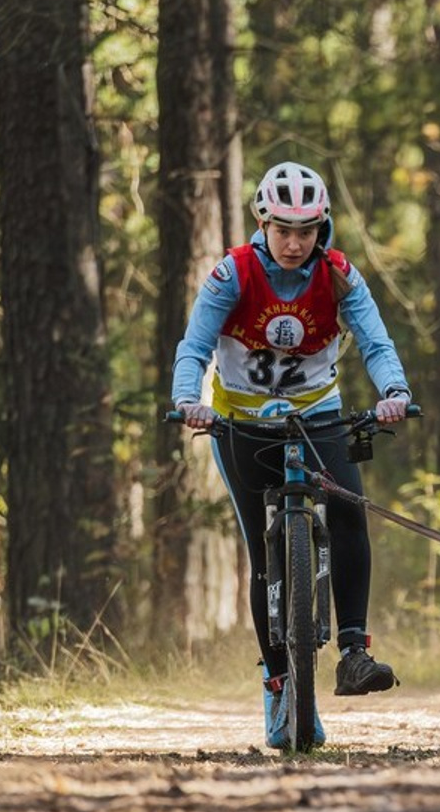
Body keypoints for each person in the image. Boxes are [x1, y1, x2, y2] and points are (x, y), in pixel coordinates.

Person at [172, 161, 412, 749]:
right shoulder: (233, 273)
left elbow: (376, 342)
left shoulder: (338, 275)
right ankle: (279, 685)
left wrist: (395, 392)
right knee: (263, 549)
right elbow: (194, 346)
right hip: (241, 420)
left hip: (317, 414)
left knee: (349, 512)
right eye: (283, 229)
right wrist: (187, 400)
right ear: (263, 223)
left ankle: (353, 651)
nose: (294, 242)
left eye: (306, 230)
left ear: (321, 227)